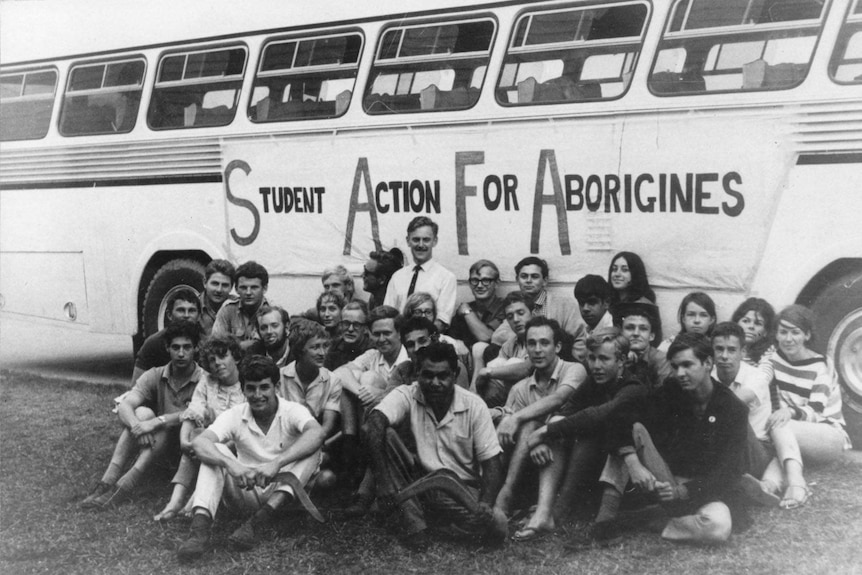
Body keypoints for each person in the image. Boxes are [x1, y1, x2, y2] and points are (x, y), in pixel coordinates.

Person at [576, 333, 749, 546]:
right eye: (675, 367)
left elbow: (729, 472)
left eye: (687, 365)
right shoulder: (672, 390)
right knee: (634, 430)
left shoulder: (734, 409)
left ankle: (648, 518)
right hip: (666, 479)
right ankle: (604, 522)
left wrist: (683, 491)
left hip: (703, 492)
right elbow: (620, 417)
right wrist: (633, 462)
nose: (680, 373)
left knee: (716, 528)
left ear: (708, 363)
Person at [176, 355, 326, 562]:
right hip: (246, 488)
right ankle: (199, 532)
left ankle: (258, 523)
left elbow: (317, 433)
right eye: (251, 388)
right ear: (243, 389)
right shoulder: (236, 414)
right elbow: (201, 442)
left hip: (284, 493)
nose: (257, 395)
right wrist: (232, 465)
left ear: (277, 386)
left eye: (264, 387)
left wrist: (277, 463)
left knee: (313, 448)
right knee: (215, 449)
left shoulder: (292, 410)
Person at [366, 342, 506, 550]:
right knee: (385, 433)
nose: (435, 382)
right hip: (421, 481)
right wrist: (383, 481)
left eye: (443, 376)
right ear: (417, 374)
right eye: (427, 375)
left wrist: (485, 503)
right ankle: (415, 527)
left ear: (455, 374)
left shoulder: (474, 405)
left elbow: (492, 461)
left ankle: (423, 517)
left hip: (459, 488)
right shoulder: (408, 394)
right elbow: (375, 420)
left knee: (498, 524)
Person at [522, 329, 647, 532]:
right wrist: (544, 438)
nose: (596, 366)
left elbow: (598, 415)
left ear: (621, 361)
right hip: (599, 467)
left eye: (604, 359)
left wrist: (543, 432)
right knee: (562, 432)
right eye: (592, 358)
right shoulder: (594, 381)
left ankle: (560, 510)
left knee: (586, 431)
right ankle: (545, 511)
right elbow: (567, 410)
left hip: (633, 473)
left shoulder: (633, 387)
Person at [82, 322, 204, 509]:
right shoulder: (156, 374)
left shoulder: (205, 380)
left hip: (185, 452)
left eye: (187, 347)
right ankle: (107, 481)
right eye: (175, 347)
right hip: (155, 447)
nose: (181, 353)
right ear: (167, 348)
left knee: (161, 425)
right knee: (141, 412)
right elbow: (125, 405)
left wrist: (156, 422)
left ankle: (123, 487)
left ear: (196, 348)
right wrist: (137, 426)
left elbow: (197, 414)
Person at [494, 317, 587, 525]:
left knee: (528, 423)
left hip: (569, 455)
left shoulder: (573, 370)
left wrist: (521, 421)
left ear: (558, 346)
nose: (537, 349)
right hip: (533, 462)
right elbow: (511, 432)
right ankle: (498, 496)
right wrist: (526, 434)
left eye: (544, 343)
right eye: (532, 343)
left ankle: (505, 496)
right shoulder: (520, 388)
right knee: (515, 427)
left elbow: (559, 399)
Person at [765, 305, 852, 505]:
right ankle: (767, 486)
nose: (788, 339)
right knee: (782, 434)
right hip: (791, 433)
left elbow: (816, 412)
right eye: (783, 332)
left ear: (807, 335)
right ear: (776, 335)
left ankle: (797, 484)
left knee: (781, 424)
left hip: (828, 436)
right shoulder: (774, 359)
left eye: (795, 332)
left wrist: (789, 411)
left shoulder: (821, 365)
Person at [153, 335, 245, 522]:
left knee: (206, 443)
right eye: (212, 360)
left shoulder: (246, 385)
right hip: (209, 441)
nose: (217, 363)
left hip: (237, 451)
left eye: (223, 356)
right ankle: (175, 502)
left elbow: (243, 430)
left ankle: (191, 505)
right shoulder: (208, 381)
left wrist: (207, 445)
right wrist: (184, 441)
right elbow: (194, 410)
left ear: (235, 357)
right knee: (196, 436)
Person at [710, 322, 798, 509]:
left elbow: (729, 407)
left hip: (757, 449)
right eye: (719, 349)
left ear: (743, 352)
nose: (724, 356)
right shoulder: (709, 375)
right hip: (726, 447)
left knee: (734, 416)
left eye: (731, 350)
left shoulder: (756, 377)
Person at [505, 256, 587, 361]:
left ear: (545, 281)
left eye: (534, 276)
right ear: (517, 280)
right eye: (524, 276)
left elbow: (580, 338)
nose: (528, 281)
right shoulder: (514, 307)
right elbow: (499, 336)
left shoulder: (564, 304)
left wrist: (566, 364)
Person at [384, 216, 457, 330]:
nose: (421, 245)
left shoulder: (446, 278)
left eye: (426, 240)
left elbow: (441, 321)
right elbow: (388, 314)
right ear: (408, 241)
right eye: (416, 239)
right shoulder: (397, 277)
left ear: (435, 241)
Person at [472, 291, 535, 408]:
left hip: (537, 396)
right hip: (509, 396)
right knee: (497, 363)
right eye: (510, 317)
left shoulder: (539, 338)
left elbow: (525, 368)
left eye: (521, 313)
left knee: (512, 363)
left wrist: (486, 372)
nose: (515, 320)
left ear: (533, 313)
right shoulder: (510, 344)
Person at [131, 288, 201, 384]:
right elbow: (135, 386)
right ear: (169, 315)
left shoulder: (206, 343)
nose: (186, 315)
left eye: (191, 311)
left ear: (199, 316)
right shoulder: (153, 343)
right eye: (181, 310)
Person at [389, 316, 470, 390]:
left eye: (422, 341)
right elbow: (387, 400)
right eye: (410, 345)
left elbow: (460, 402)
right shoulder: (404, 370)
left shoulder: (452, 366)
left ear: (435, 340)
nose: (417, 348)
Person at [612, 298, 672, 389]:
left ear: (651, 335)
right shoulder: (614, 355)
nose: (636, 333)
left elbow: (663, 396)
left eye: (643, 329)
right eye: (630, 328)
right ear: (621, 332)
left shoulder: (661, 360)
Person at [447, 259, 506, 350]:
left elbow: (486, 337)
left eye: (486, 280)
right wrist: (458, 343)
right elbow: (449, 339)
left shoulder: (505, 307)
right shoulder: (465, 308)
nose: (479, 286)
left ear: (496, 283)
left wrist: (467, 312)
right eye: (475, 280)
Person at [213, 260, 270, 350]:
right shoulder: (228, 310)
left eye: (254, 287)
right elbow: (215, 344)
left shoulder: (272, 311)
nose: (248, 292)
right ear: (236, 289)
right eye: (243, 287)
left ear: (264, 288)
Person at [403, 292, 470, 359]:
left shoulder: (450, 343)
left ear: (434, 315)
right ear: (409, 315)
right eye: (417, 312)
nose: (423, 316)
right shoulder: (401, 341)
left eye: (428, 312)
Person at [325, 300, 372, 370]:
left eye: (356, 325)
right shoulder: (334, 346)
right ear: (340, 325)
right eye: (346, 323)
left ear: (365, 329)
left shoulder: (372, 350)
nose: (350, 329)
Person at [731, 297, 777, 365]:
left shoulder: (769, 353)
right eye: (746, 321)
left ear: (766, 332)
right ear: (736, 323)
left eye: (758, 323)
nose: (751, 326)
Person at [199, 259, 236, 336]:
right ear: (205, 283)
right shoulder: (192, 307)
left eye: (225, 285)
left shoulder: (237, 307)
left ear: (231, 287)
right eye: (215, 283)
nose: (219, 290)